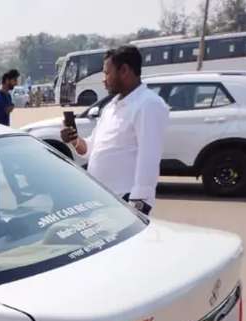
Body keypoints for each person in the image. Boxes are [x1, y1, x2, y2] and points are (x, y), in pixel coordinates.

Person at [61, 45, 168, 214]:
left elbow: (149, 158)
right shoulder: (111, 106)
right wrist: (74, 140)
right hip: (102, 200)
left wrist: (139, 206)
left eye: (107, 73)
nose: (104, 80)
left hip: (125, 203)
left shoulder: (148, 104)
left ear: (124, 70)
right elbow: (90, 150)